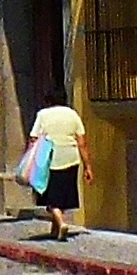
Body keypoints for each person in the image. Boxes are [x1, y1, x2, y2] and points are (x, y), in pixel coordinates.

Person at [22, 104, 87, 242]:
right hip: (71, 159)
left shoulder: (43, 115)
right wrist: (88, 166)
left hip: (50, 160)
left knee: (50, 197)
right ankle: (55, 229)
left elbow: (33, 137)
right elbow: (81, 142)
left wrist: (31, 156)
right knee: (63, 195)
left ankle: (61, 223)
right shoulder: (73, 114)